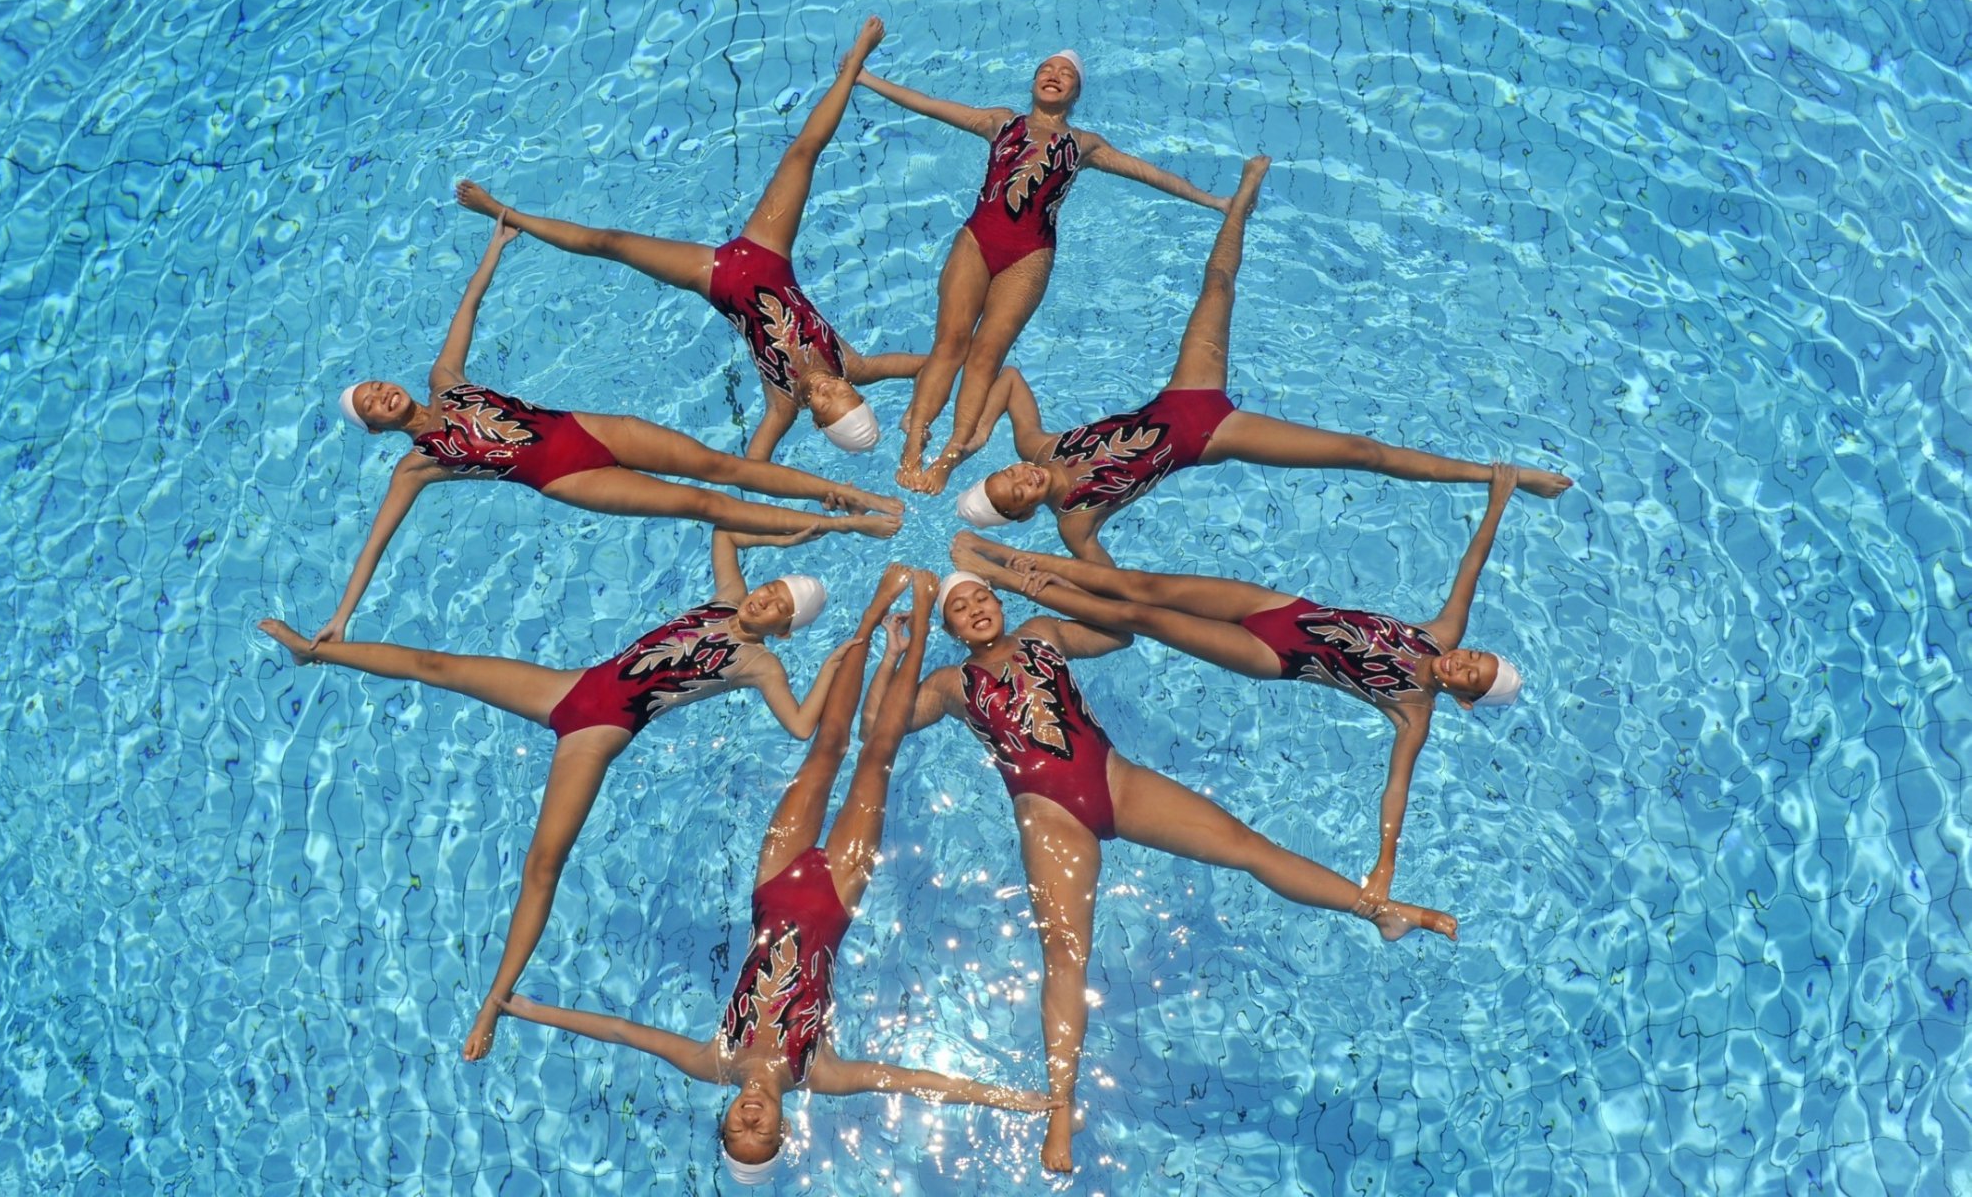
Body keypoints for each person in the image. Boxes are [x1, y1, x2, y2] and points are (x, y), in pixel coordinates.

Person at [490, 566, 1053, 1185]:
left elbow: (622, 1031)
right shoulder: (821, 1073)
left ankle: (869, 622)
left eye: (738, 1129)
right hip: (836, 896)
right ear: (785, 1130)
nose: (751, 1121)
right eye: (763, 1134)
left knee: (826, 747)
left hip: (775, 882)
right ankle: (918, 622)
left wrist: (518, 1009)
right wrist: (1008, 1100)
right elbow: (917, 1083)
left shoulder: (714, 1061)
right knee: (878, 754)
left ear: (727, 1119)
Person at [890, 569, 1457, 1173]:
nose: (975, 608)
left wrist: (1044, 589)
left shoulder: (1042, 633)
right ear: (950, 627)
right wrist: (911, 638)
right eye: (959, 608)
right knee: (1063, 953)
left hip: (1115, 779)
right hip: (1050, 815)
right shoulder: (951, 683)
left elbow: (1119, 635)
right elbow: (887, 723)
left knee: (1247, 845)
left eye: (981, 596)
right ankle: (1061, 1110)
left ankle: (1380, 911)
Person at [257, 529, 860, 1059]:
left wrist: (831, 667)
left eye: (780, 605)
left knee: (542, 866)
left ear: (784, 628)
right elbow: (725, 531)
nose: (766, 597)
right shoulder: (728, 596)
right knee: (435, 664)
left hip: (598, 734)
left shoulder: (761, 665)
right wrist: (782, 541)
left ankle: (494, 1000)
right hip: (567, 687)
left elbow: (802, 725)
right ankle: (316, 652)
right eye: (772, 587)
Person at [316, 211, 901, 651]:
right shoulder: (417, 464)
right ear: (374, 427)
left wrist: (494, 248)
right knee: (704, 503)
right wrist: (342, 617)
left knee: (725, 467)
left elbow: (467, 310)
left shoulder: (445, 380)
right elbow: (376, 543)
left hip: (591, 428)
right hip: (567, 476)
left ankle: (860, 497)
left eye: (376, 385)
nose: (381, 393)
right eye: (371, 403)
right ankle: (843, 521)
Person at [951, 459, 1524, 908]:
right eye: (1474, 656)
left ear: (1466, 701)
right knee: (1140, 585)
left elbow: (1396, 788)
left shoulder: (1412, 708)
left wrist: (1385, 864)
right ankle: (1001, 551)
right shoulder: (1439, 634)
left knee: (1142, 618)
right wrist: (1497, 503)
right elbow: (1470, 568)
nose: (1462, 663)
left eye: (1470, 677)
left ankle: (1004, 576)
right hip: (1281, 607)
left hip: (1272, 652)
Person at [953, 156, 1572, 564]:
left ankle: (1240, 198)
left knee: (1217, 285)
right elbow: (1112, 592)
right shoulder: (1075, 523)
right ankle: (1499, 475)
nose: (1022, 480)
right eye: (1015, 496)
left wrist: (972, 439)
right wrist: (1023, 572)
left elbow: (1007, 378)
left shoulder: (1040, 446)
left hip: (1183, 394)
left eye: (1007, 475)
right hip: (1215, 436)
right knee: (1361, 454)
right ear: (1024, 513)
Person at [453, 17, 922, 461]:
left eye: (823, 404)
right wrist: (919, 423)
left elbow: (756, 464)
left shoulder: (783, 406)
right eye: (841, 394)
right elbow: (939, 361)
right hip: (769, 253)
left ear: (816, 424)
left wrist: (824, 501)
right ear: (856, 391)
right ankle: (855, 62)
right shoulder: (854, 365)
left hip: (714, 278)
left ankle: (503, 213)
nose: (825, 389)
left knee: (610, 242)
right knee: (803, 152)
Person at [854, 48, 1232, 494]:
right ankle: (914, 445)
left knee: (986, 355)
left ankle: (949, 458)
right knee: (950, 342)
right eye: (1047, 69)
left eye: (1066, 73)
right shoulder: (1001, 122)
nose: (1054, 75)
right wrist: (866, 79)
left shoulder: (1083, 144)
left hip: (1029, 256)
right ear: (1034, 81)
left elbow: (1147, 173)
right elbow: (929, 104)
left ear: (1076, 92)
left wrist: (1214, 202)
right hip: (977, 241)